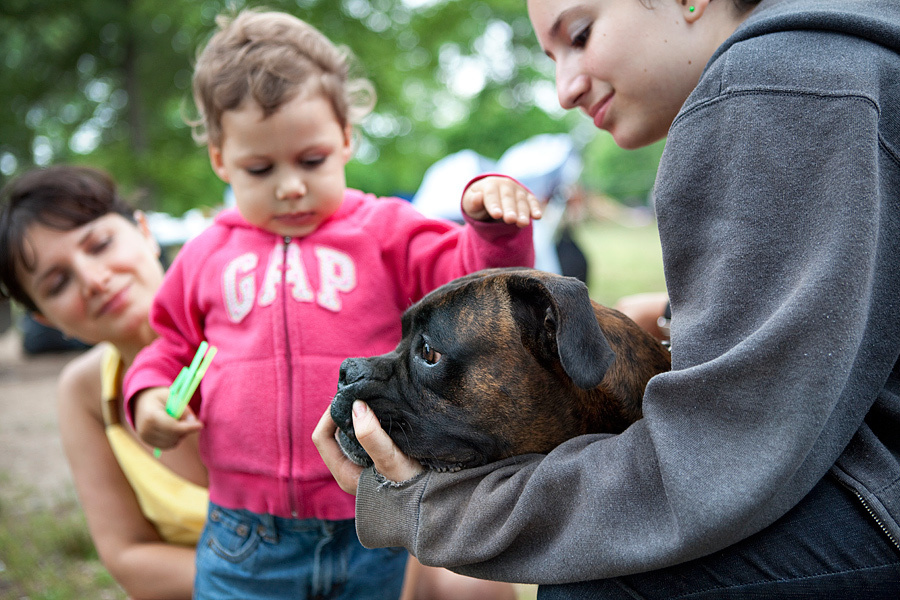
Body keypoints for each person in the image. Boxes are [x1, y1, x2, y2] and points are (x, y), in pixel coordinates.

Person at [314, 0, 900, 597]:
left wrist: (426, 506)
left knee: (600, 584)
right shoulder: (836, 65)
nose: (564, 89)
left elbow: (709, 466)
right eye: (551, 57)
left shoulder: (774, 84)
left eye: (581, 34)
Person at [123, 10, 538, 600]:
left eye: (311, 160)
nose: (290, 185)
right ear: (220, 159)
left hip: (367, 514)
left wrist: (491, 226)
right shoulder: (205, 253)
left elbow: (469, 280)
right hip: (245, 533)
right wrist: (148, 397)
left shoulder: (385, 230)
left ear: (345, 138)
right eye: (260, 168)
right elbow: (168, 345)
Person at [0, 165, 208, 599]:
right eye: (58, 283)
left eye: (100, 244)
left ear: (144, 232)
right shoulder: (85, 392)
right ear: (45, 318)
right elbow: (128, 557)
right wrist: (274, 578)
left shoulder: (249, 318)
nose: (94, 280)